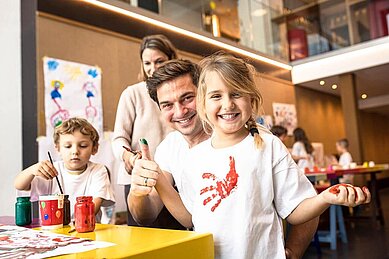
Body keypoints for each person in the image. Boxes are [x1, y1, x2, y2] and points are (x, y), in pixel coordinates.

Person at [148, 52, 371, 259]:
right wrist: (157, 178)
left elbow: (295, 211)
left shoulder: (268, 146)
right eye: (216, 96)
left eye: (236, 93)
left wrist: (325, 198)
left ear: (251, 100)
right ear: (202, 104)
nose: (228, 104)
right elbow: (190, 218)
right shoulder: (193, 159)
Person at [130, 58, 321, 258]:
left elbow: (301, 202)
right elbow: (151, 215)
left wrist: (293, 251)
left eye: (187, 98)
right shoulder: (170, 149)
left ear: (203, 94)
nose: (180, 111)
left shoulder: (257, 141)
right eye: (167, 105)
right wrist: (138, 190)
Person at [111, 34, 183, 228]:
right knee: (144, 234)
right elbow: (118, 138)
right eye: (147, 63)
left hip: (174, 178)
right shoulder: (132, 93)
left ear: (172, 59)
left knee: (176, 235)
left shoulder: (180, 93)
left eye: (160, 61)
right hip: (140, 178)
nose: (153, 68)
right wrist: (128, 157)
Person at [14, 117, 115, 222]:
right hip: (53, 231)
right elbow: (19, 185)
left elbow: (96, 203)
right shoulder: (52, 170)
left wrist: (78, 222)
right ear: (58, 148)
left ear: (94, 148)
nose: (75, 151)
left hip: (85, 230)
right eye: (68, 146)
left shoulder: (98, 171)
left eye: (83, 146)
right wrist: (32, 170)